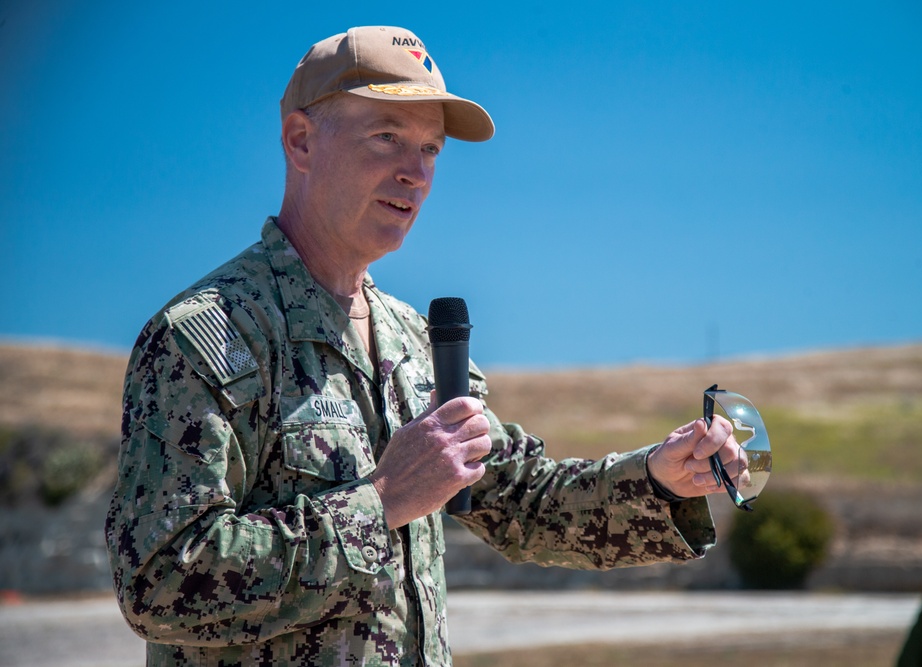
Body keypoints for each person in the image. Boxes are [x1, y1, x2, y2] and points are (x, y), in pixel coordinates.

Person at [105, 25, 744, 667]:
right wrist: (380, 502)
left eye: (431, 149)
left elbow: (523, 502)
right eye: (386, 137)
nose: (415, 174)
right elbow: (160, 583)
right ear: (301, 141)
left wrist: (662, 477)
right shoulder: (209, 336)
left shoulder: (417, 342)